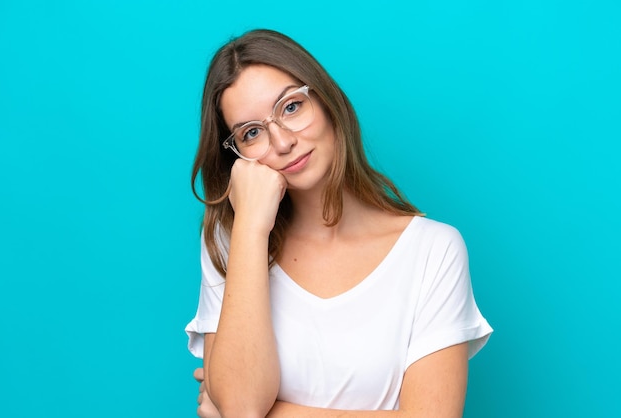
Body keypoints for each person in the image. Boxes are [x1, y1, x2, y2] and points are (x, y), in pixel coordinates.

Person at [185, 28, 492, 417]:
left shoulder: (433, 251)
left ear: (326, 100)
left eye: (291, 107)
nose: (281, 142)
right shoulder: (233, 239)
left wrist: (275, 412)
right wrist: (250, 227)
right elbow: (243, 407)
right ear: (238, 156)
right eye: (252, 133)